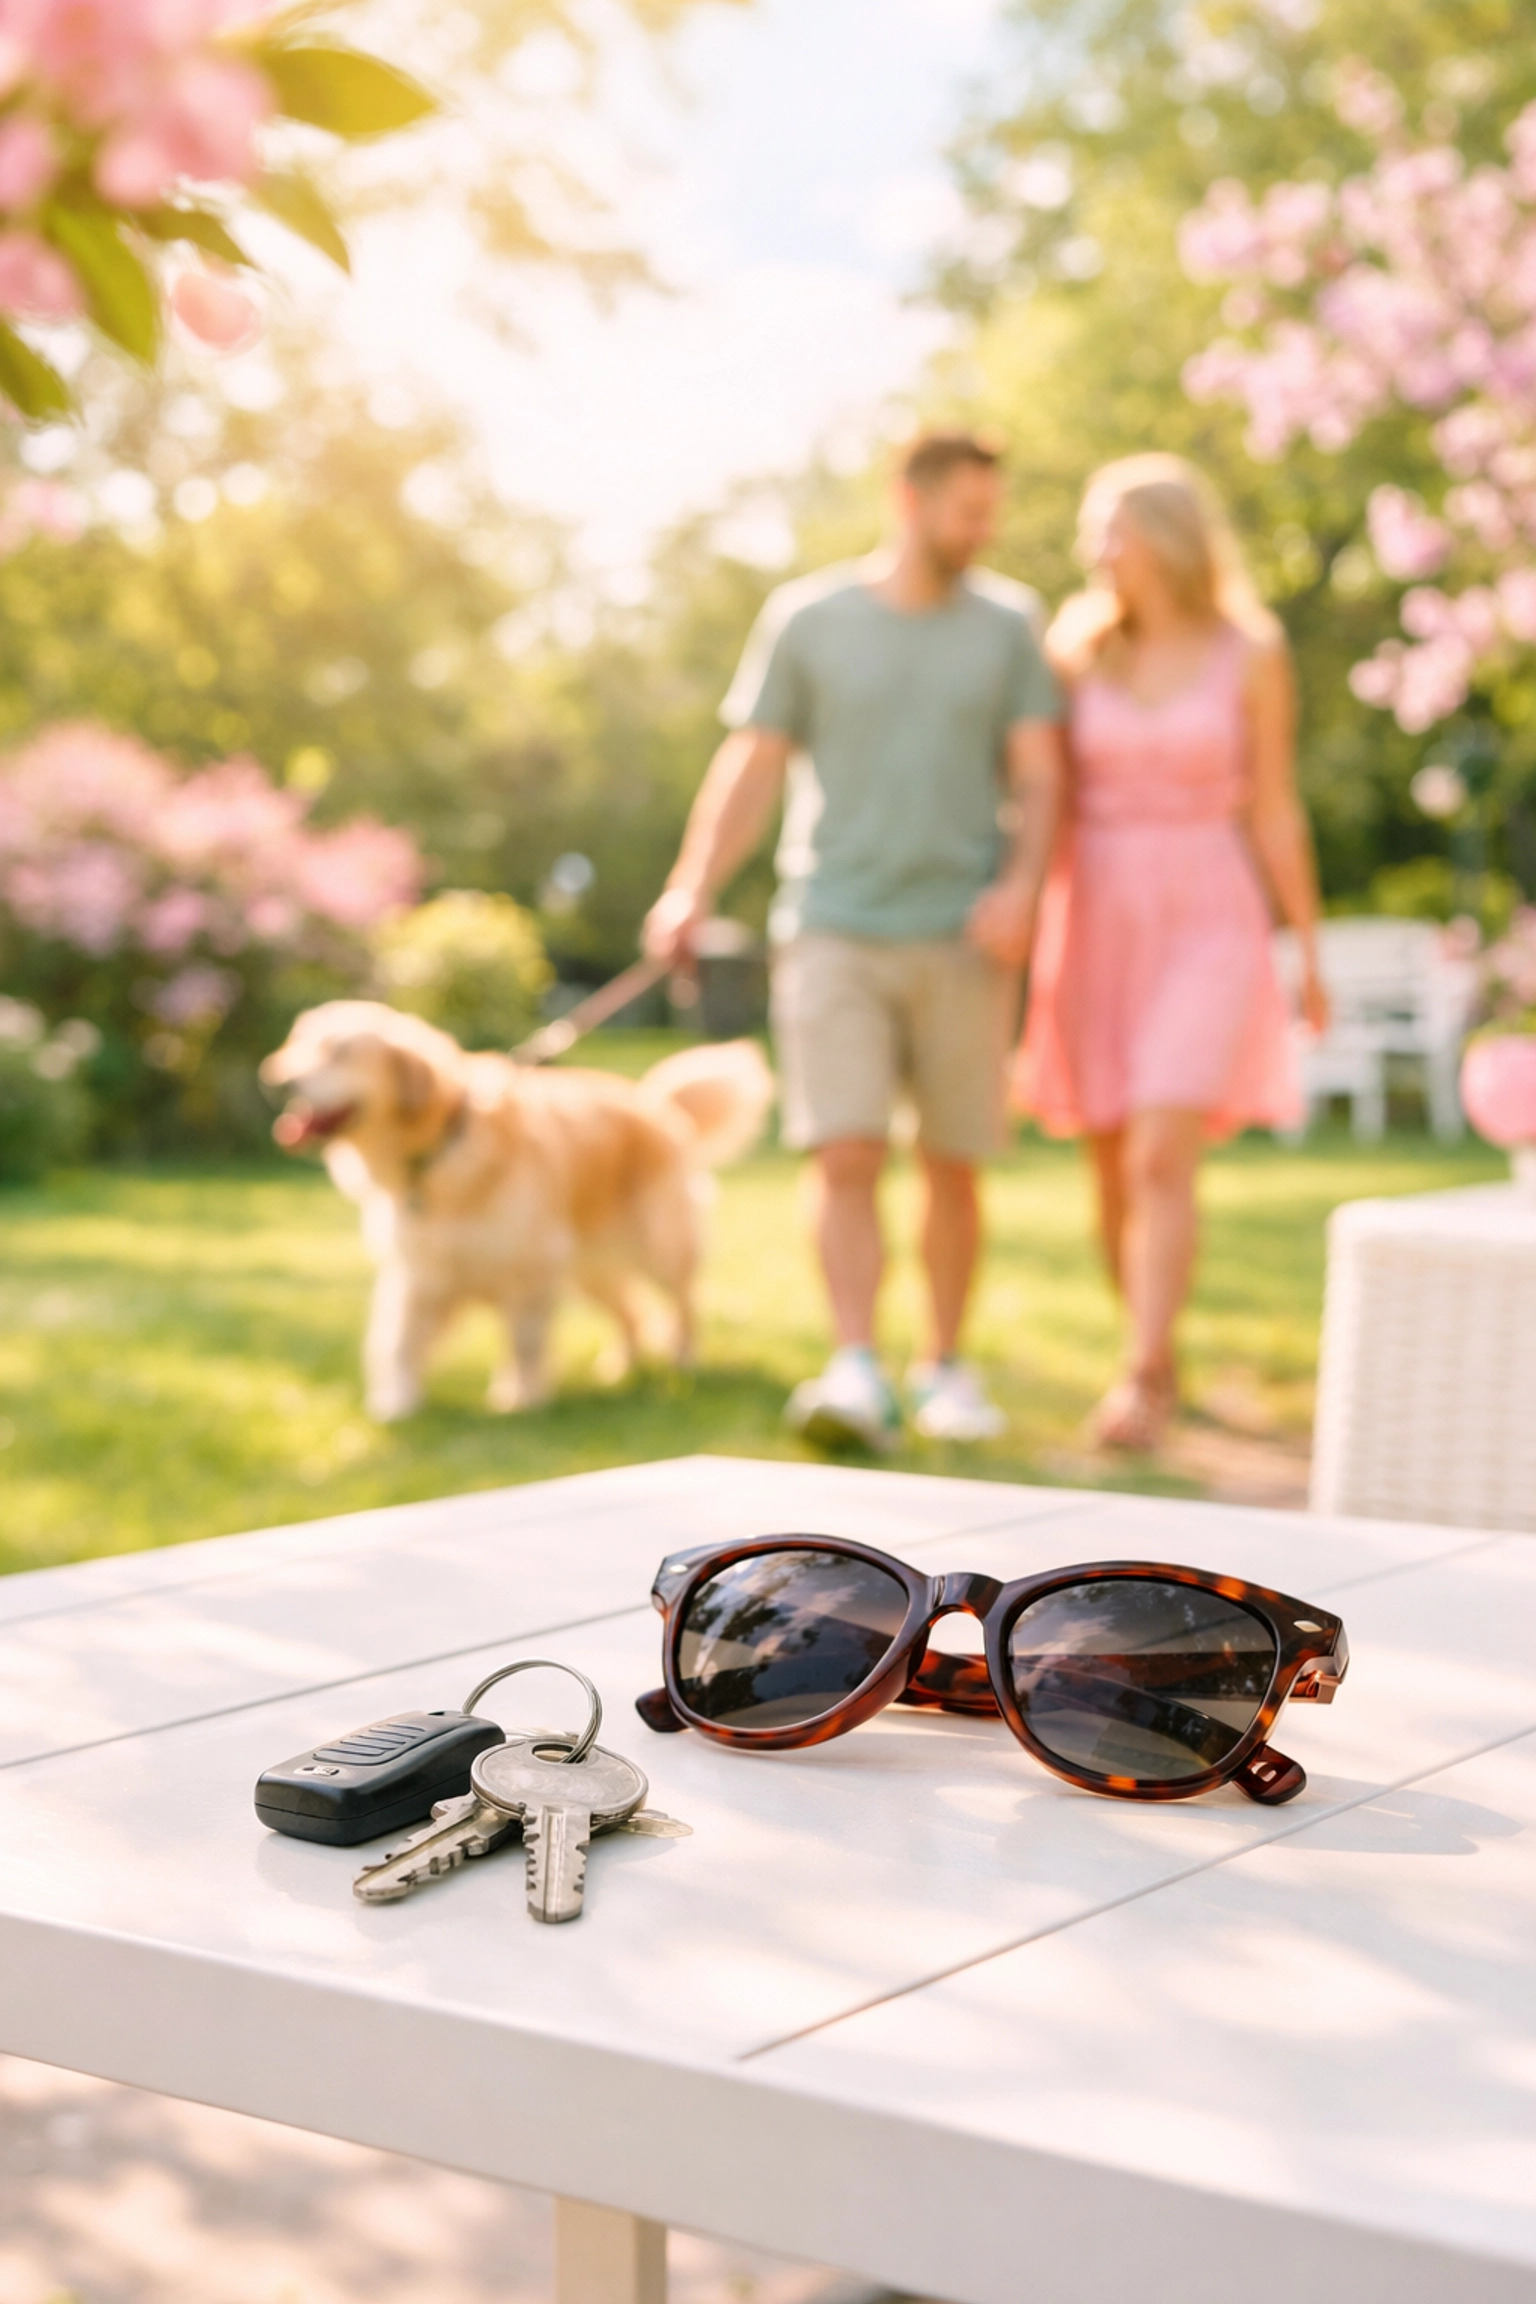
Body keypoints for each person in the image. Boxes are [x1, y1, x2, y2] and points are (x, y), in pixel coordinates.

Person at [644, 429, 1066, 1450]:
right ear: (907, 500)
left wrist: (1022, 885)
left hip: (965, 932)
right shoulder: (810, 618)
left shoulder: (1009, 624)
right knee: (845, 1151)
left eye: (989, 512)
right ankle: (855, 1366)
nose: (984, 530)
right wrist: (691, 886)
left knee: (954, 1161)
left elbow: (1043, 773)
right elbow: (751, 765)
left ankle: (947, 1369)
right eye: (968, 509)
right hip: (833, 923)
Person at [1015, 453, 1329, 1451]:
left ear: (1167, 536)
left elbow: (1274, 805)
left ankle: (1144, 1378)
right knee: (1108, 1157)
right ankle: (1150, 1344)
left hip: (1207, 906)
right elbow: (1041, 796)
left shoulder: (1252, 649)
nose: (1097, 552)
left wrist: (1309, 948)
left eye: (1113, 530)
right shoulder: (1076, 650)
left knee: (1160, 1145)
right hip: (1096, 906)